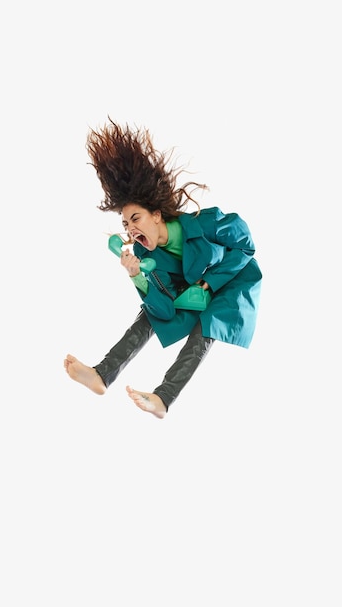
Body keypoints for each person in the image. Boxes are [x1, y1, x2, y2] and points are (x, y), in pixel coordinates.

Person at [64, 118, 262, 418]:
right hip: (190, 285)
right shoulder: (144, 253)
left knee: (206, 327)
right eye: (125, 224)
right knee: (149, 314)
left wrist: (209, 284)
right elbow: (165, 310)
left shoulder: (203, 222)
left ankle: (163, 398)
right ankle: (102, 375)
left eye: (135, 219)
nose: (130, 230)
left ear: (156, 215)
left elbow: (245, 244)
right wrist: (138, 278)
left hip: (234, 279)